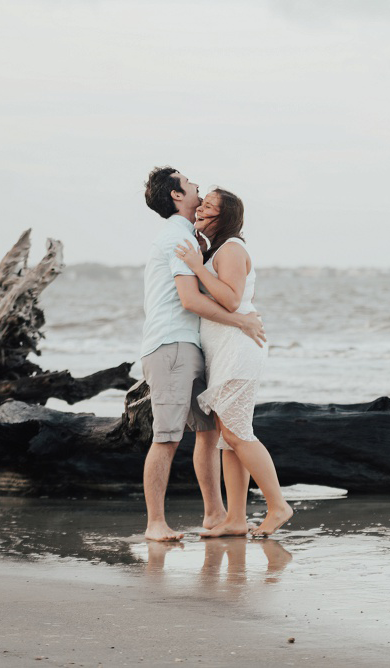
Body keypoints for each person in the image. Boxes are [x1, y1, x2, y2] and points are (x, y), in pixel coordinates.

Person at [141, 167, 266, 542]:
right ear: (177, 196)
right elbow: (189, 299)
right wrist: (241, 321)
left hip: (190, 347)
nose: (196, 185)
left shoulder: (191, 237)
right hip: (172, 345)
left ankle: (215, 514)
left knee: (209, 434)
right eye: (189, 182)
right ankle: (155, 524)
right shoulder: (179, 238)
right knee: (166, 437)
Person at [174, 188, 294, 537]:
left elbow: (230, 299)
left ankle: (278, 505)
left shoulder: (231, 249)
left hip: (239, 351)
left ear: (224, 217)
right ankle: (236, 519)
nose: (201, 208)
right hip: (226, 350)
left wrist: (197, 266)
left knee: (239, 434)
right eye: (204, 202)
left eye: (209, 206)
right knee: (229, 437)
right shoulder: (218, 250)